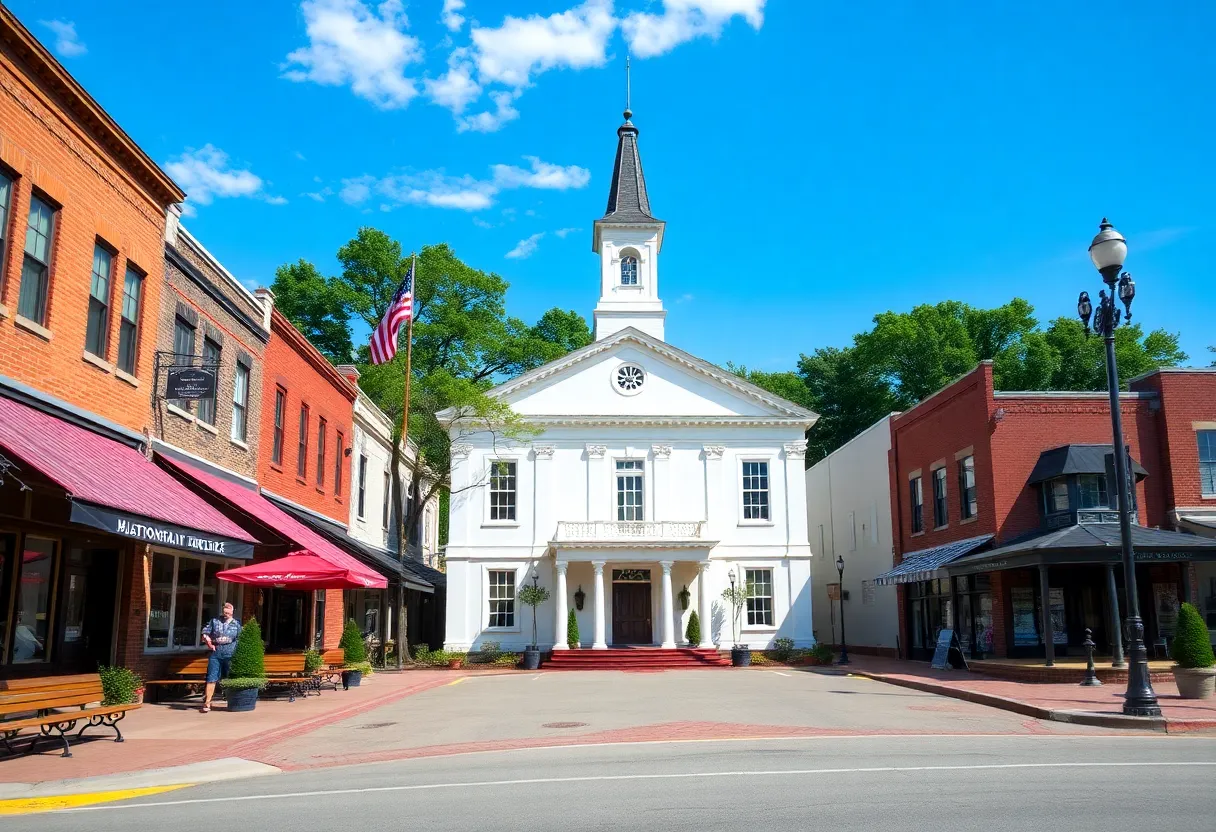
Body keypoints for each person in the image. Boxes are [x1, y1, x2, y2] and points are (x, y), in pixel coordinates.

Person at [200, 602, 241, 713]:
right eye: (224, 612)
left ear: (232, 612)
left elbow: (240, 638)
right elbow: (205, 632)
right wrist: (209, 642)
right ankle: (207, 702)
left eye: (228, 613)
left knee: (229, 677)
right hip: (216, 652)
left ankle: (231, 700)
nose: (226, 615)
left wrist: (237, 651)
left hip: (230, 652)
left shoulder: (236, 624)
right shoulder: (215, 621)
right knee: (211, 677)